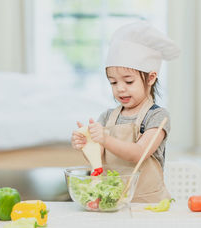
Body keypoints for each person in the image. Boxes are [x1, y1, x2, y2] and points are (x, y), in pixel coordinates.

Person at [71, 21, 180, 202]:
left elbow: (138, 153)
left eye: (128, 81)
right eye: (113, 82)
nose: (120, 89)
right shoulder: (107, 117)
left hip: (147, 205)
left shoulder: (157, 116)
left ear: (151, 78)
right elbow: (97, 160)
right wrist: (86, 145)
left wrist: (105, 138)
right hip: (113, 201)